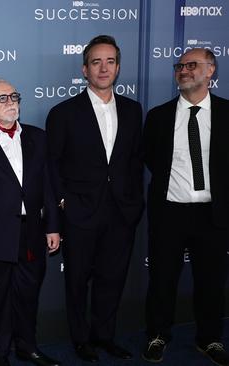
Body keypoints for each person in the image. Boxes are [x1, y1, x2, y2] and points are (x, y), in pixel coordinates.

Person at [45, 35, 143, 362]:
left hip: (121, 212)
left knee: (112, 279)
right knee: (77, 281)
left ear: (117, 68)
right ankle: (80, 339)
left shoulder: (132, 110)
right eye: (96, 62)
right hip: (81, 213)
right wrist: (62, 202)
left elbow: (133, 160)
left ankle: (105, 336)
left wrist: (133, 202)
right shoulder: (63, 113)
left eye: (110, 61)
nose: (104, 68)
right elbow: (52, 165)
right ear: (85, 69)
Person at [142, 48, 229, 366]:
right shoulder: (158, 117)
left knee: (211, 281)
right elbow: (152, 159)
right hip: (169, 213)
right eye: (180, 65)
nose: (184, 70)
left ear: (211, 70)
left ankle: (210, 339)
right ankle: (157, 335)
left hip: (213, 214)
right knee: (162, 279)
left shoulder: (226, 113)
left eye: (192, 65)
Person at [0, 79, 61, 366]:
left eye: (14, 96)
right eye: (2, 98)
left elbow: (49, 184)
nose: (11, 102)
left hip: (33, 231)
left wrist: (53, 226)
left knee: (28, 294)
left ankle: (27, 346)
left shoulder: (38, 137)